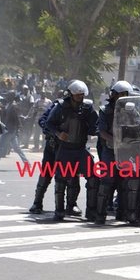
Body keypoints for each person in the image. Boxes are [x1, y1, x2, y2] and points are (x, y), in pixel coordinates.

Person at [46, 80, 100, 221]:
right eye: (77, 95)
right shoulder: (60, 107)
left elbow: (96, 124)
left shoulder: (88, 107)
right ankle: (59, 210)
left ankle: (91, 211)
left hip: (81, 149)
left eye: (82, 95)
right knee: (61, 179)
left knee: (94, 178)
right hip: (65, 149)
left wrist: (97, 131)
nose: (80, 98)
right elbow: (49, 123)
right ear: (70, 95)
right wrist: (58, 133)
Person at [95, 80, 134, 224]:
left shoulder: (131, 110)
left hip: (126, 151)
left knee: (125, 182)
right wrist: (115, 140)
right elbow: (102, 131)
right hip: (110, 150)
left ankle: (122, 214)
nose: (123, 97)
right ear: (114, 95)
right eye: (120, 94)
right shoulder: (105, 110)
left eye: (125, 94)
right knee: (106, 182)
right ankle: (100, 214)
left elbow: (138, 126)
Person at [0, 90, 29, 171]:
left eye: (8, 95)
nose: (6, 97)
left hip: (9, 130)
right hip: (10, 130)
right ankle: (27, 164)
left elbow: (17, 118)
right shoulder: (8, 105)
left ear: (11, 97)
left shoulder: (13, 106)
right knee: (16, 148)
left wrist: (19, 128)